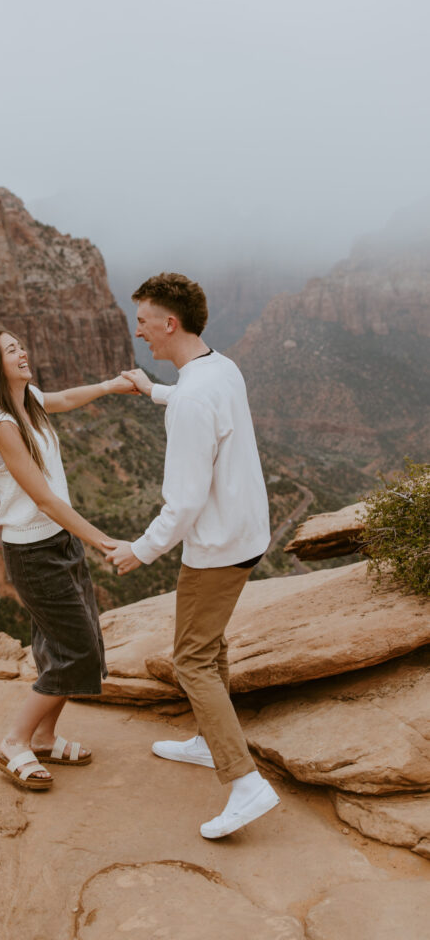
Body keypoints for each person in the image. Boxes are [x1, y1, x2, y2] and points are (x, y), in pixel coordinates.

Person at [107, 272, 280, 838]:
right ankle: (209, 742)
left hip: (216, 546)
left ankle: (245, 783)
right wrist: (150, 388)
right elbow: (196, 401)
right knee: (211, 645)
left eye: (144, 324)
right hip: (247, 532)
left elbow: (181, 503)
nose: (141, 336)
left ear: (169, 323)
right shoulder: (218, 368)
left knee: (192, 661)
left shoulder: (194, 398)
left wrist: (141, 550)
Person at [0, 325, 133, 791]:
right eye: (12, 350)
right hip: (34, 552)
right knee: (76, 650)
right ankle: (14, 741)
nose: (23, 352)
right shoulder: (1, 424)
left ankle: (44, 737)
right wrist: (102, 540)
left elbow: (62, 399)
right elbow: (44, 500)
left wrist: (110, 386)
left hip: (59, 545)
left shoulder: (24, 404)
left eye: (21, 345)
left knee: (67, 646)